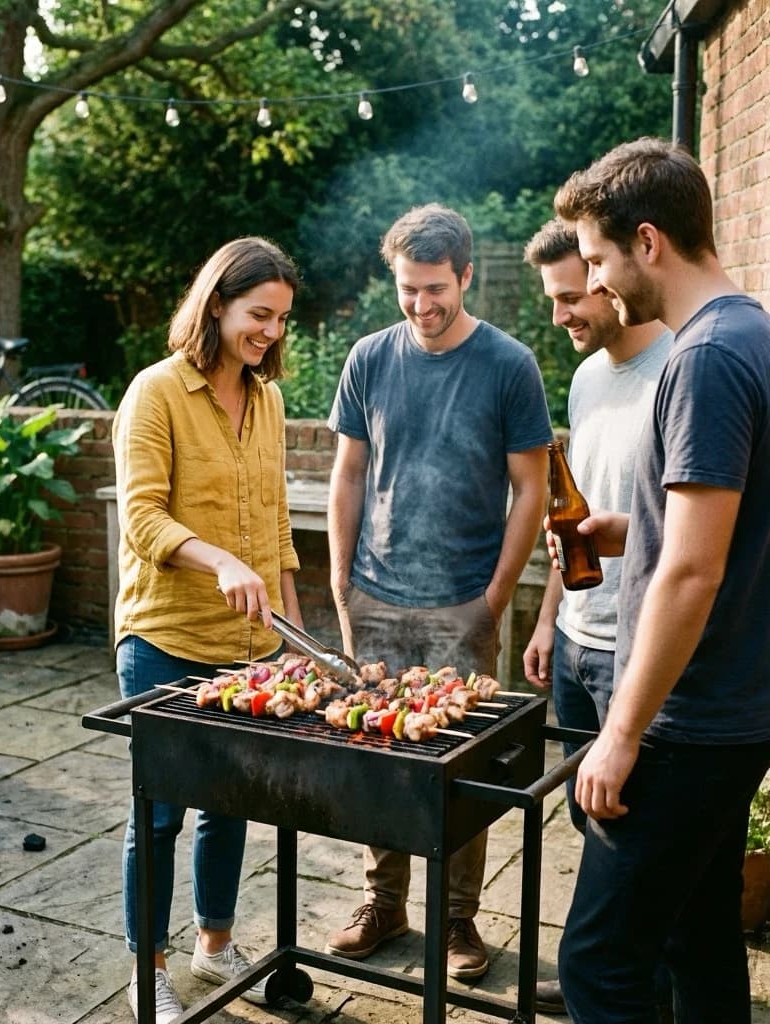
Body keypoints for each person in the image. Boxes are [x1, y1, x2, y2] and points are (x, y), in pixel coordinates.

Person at [552, 137, 770, 1023]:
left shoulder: (705, 358)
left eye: (599, 259)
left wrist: (621, 733)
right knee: (699, 932)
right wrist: (628, 527)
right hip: (735, 712)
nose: (597, 284)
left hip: (687, 719)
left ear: (648, 242)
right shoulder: (753, 328)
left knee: (599, 965)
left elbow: (692, 569)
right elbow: (725, 524)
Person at [324, 203, 552, 979]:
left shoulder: (509, 364)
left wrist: (494, 597)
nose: (420, 305)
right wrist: (339, 577)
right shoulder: (368, 358)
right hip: (377, 593)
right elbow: (349, 472)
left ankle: (458, 920)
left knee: (463, 765)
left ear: (464, 276)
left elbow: (532, 488)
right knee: (379, 755)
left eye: (433, 289)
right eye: (407, 290)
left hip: (465, 599)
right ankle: (383, 904)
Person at [112, 236, 304, 1023]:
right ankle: (145, 966)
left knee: (233, 803)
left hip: (250, 647)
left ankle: (215, 944)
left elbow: (280, 526)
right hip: (164, 639)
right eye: (260, 314)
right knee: (160, 812)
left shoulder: (269, 399)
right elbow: (142, 518)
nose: (270, 332)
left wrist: (294, 630)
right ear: (217, 302)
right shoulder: (156, 392)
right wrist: (220, 560)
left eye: (282, 319)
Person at [521, 218, 672, 1015]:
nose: (562, 316)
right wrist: (550, 619)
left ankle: (618, 984)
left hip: (636, 656)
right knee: (593, 830)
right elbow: (572, 519)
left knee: (634, 843)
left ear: (610, 278)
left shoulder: (677, 370)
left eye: (572, 297)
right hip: (580, 644)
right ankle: (605, 972)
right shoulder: (585, 380)